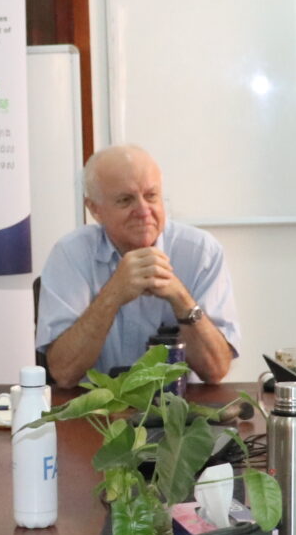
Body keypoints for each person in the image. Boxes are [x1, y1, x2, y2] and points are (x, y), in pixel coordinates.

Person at [35, 144, 240, 386]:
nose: (143, 211)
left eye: (151, 196)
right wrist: (113, 295)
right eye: (125, 200)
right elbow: (63, 372)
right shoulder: (71, 254)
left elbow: (216, 371)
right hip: (97, 405)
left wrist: (181, 299)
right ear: (95, 209)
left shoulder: (201, 252)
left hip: (180, 405)